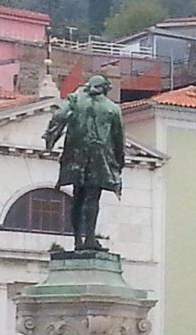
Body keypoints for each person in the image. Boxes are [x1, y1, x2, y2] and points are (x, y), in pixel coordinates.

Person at [43, 74, 125, 252]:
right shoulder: (112, 109)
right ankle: (89, 238)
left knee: (77, 197)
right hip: (100, 156)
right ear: (105, 88)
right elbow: (118, 138)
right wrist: (119, 162)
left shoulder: (75, 100)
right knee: (92, 198)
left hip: (76, 154)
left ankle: (77, 240)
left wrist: (51, 138)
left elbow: (59, 116)